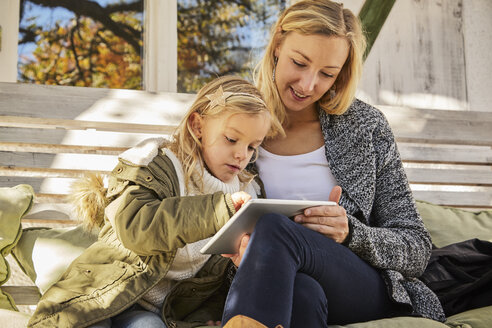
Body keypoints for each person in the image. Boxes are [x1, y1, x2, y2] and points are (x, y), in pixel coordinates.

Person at [221, 1, 446, 327]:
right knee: (303, 294)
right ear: (278, 44)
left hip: (360, 285)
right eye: (299, 63)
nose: (308, 85)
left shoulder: (366, 127)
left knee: (273, 227)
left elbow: (417, 248)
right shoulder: (233, 122)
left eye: (327, 74)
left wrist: (350, 233)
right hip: (279, 287)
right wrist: (243, 256)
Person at [27, 76, 278, 328]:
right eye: (232, 140)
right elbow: (137, 228)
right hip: (101, 294)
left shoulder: (249, 195)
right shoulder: (158, 166)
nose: (241, 155)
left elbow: (215, 289)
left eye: (252, 147)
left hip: (160, 315)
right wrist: (217, 210)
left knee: (147, 325)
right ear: (198, 126)